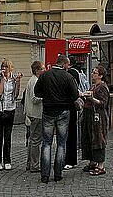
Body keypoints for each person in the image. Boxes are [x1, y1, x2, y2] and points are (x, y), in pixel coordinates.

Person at [34, 54, 79, 184]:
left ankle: (45, 175)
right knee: (61, 143)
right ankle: (58, 174)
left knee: (46, 143)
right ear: (64, 64)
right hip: (64, 111)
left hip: (48, 111)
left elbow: (37, 92)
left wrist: (48, 96)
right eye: (67, 64)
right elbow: (75, 95)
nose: (68, 66)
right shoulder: (68, 76)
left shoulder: (44, 75)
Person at [0, 60, 23, 170]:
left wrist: (18, 82)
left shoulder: (13, 78)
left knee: (8, 136)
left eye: (6, 67)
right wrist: (3, 79)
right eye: (3, 67)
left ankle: (7, 160)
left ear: (10, 68)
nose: (4, 69)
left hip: (10, 108)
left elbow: (16, 93)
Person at [80, 65, 110, 176]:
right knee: (89, 138)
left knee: (98, 138)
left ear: (101, 76)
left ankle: (101, 165)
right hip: (89, 115)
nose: (93, 74)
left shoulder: (102, 87)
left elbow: (103, 103)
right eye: (93, 72)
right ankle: (92, 161)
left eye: (95, 73)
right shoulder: (93, 86)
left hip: (98, 117)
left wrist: (92, 99)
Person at [24, 60, 45, 172]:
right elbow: (34, 98)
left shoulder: (33, 80)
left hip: (32, 113)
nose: (44, 70)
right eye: (42, 68)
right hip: (36, 114)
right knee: (35, 141)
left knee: (32, 140)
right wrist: (46, 97)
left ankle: (30, 164)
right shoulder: (35, 81)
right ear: (37, 70)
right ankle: (35, 165)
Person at [64, 59, 81, 170]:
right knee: (71, 134)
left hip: (68, 107)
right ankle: (71, 159)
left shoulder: (71, 74)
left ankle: (69, 159)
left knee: (68, 135)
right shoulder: (74, 73)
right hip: (72, 108)